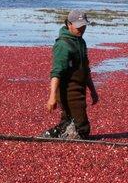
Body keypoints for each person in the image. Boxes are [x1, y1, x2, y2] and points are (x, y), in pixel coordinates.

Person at [42, 10, 98, 139]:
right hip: (68, 91)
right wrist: (52, 97)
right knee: (82, 128)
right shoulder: (63, 45)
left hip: (80, 89)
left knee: (69, 120)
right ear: (68, 24)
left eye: (83, 26)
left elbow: (85, 69)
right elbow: (56, 72)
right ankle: (54, 136)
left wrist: (93, 91)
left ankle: (52, 136)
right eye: (78, 26)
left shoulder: (81, 42)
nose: (81, 29)